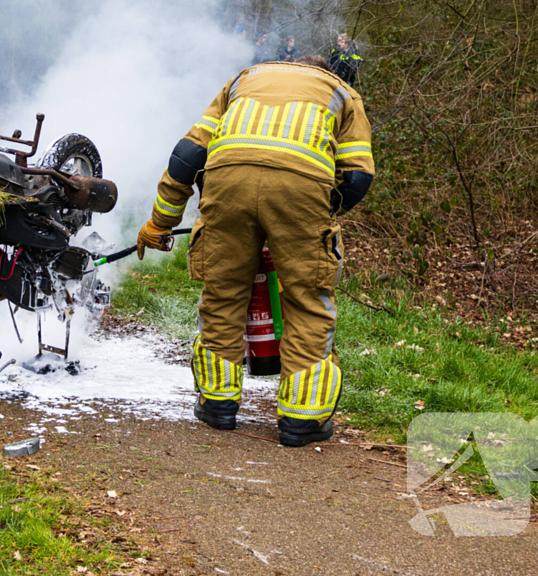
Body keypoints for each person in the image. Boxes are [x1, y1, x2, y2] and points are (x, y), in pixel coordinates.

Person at [136, 56, 374, 447]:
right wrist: (314, 218)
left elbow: (188, 155)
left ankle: (217, 405)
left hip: (227, 178)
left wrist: (161, 221)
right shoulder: (343, 93)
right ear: (321, 70)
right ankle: (302, 421)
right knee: (307, 297)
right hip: (303, 186)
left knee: (224, 290)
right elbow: (358, 174)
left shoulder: (244, 80)